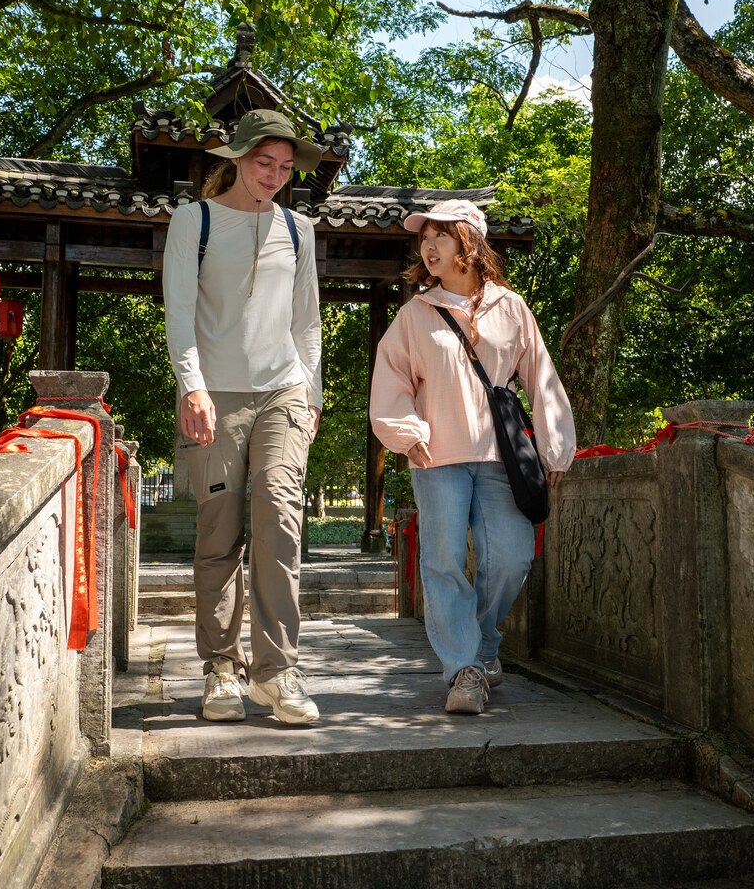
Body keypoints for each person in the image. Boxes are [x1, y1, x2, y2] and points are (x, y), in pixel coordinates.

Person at [370, 199, 576, 714]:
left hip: (501, 457)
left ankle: (483, 644)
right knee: (441, 560)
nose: (429, 247)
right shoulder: (415, 314)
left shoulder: (511, 307)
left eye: (440, 236)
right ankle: (463, 669)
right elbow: (392, 376)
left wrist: (554, 446)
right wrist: (405, 431)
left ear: (469, 241)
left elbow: (541, 379)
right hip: (436, 456)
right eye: (424, 239)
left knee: (511, 556)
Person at [163, 108, 324, 725]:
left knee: (281, 522)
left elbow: (306, 322)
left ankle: (278, 671)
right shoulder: (194, 219)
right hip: (217, 394)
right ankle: (221, 669)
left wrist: (310, 394)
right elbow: (179, 311)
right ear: (236, 158)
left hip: (284, 390)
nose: (276, 176)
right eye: (265, 163)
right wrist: (192, 388)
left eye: (285, 168)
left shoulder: (300, 229)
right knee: (220, 531)